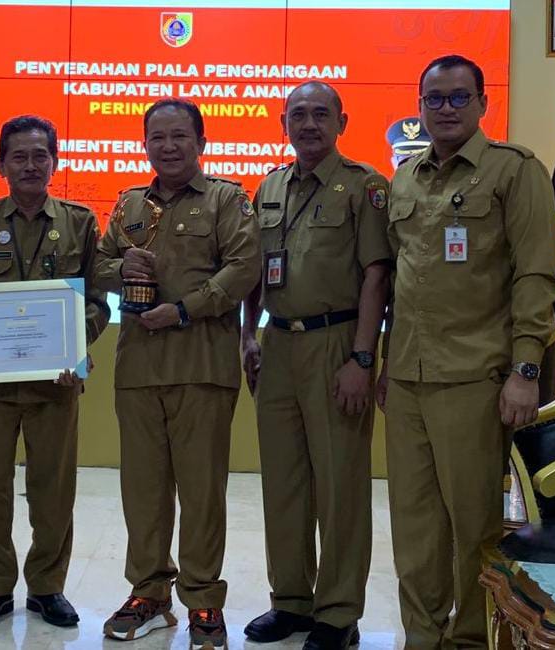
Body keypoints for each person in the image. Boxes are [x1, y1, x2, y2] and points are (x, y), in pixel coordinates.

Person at [378, 54, 555, 648]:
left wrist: (525, 370)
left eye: (459, 97)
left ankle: (473, 639)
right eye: (435, 99)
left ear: (483, 103)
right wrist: (382, 362)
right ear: (420, 105)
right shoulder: (405, 178)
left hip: (476, 378)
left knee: (474, 525)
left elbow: (534, 275)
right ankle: (422, 636)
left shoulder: (515, 171)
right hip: (407, 378)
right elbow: (400, 281)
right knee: (413, 523)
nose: (447, 109)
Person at [94, 98, 261, 649]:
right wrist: (122, 269)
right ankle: (149, 593)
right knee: (143, 491)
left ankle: (203, 601)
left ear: (200, 142)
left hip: (203, 367)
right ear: (145, 144)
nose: (167, 147)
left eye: (179, 137)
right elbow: (97, 265)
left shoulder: (226, 200)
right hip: (138, 367)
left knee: (202, 492)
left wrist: (188, 307)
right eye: (157, 137)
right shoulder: (129, 206)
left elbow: (245, 266)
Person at [0, 114, 110, 631]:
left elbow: (98, 302)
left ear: (54, 162)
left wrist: (74, 347)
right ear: (1, 165)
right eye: (20, 156)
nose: (31, 165)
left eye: (41, 155)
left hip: (55, 384)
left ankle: (46, 587)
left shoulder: (80, 223)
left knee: (52, 489)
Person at [241, 82, 391, 650]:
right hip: (276, 346)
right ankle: (292, 602)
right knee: (284, 483)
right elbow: (256, 271)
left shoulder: (364, 186)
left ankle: (338, 612)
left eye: (319, 114)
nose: (308, 124)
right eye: (297, 115)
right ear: (283, 123)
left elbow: (377, 275)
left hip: (337, 346)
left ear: (341, 122)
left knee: (340, 485)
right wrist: (248, 337)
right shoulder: (271, 185)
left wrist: (362, 357)